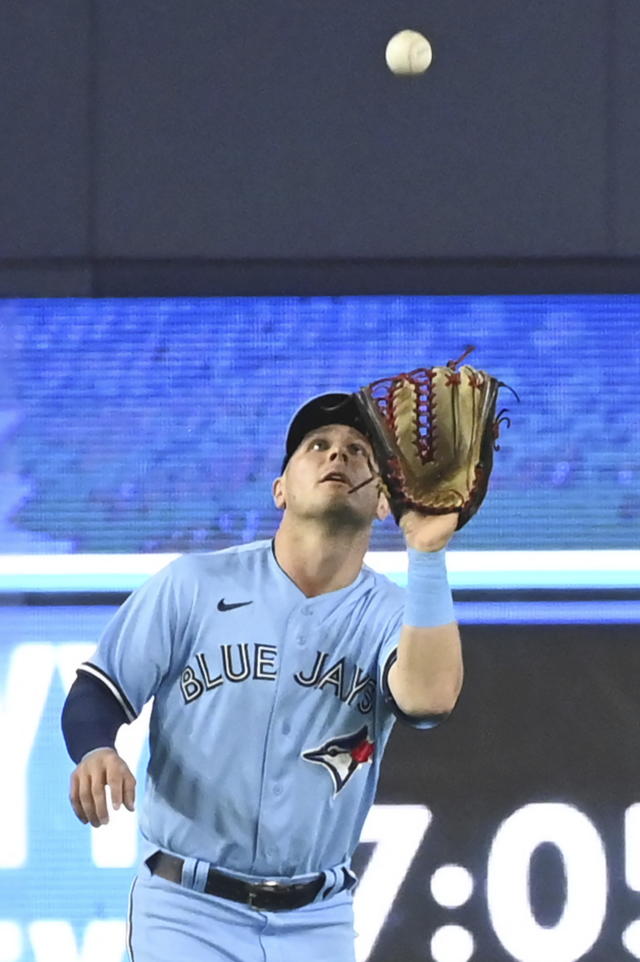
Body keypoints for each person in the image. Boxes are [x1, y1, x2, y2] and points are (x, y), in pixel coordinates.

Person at [61, 392, 463, 962]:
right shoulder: (194, 584)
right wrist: (95, 748)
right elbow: (97, 691)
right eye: (316, 446)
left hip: (318, 920)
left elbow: (429, 701)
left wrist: (427, 554)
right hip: (186, 910)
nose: (337, 456)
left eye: (357, 450)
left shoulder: (397, 613)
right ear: (280, 489)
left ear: (382, 502)